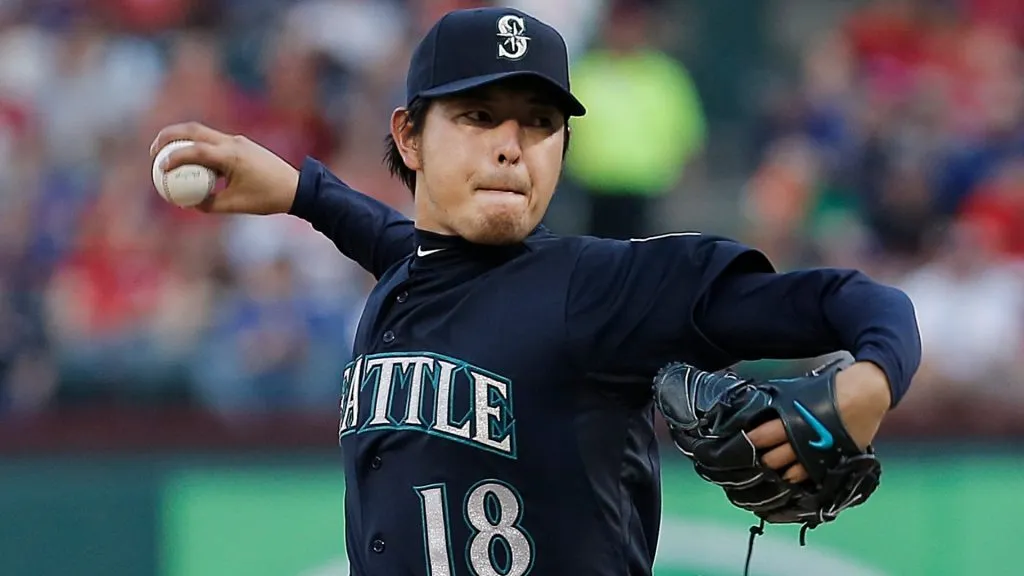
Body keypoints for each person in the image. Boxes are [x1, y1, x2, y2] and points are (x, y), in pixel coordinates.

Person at [151, 7, 921, 575]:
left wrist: (870, 382)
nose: (511, 147)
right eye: (478, 116)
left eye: (539, 122)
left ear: (564, 145)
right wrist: (303, 192)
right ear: (410, 136)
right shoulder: (411, 272)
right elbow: (400, 241)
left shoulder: (603, 289)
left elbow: (858, 303)